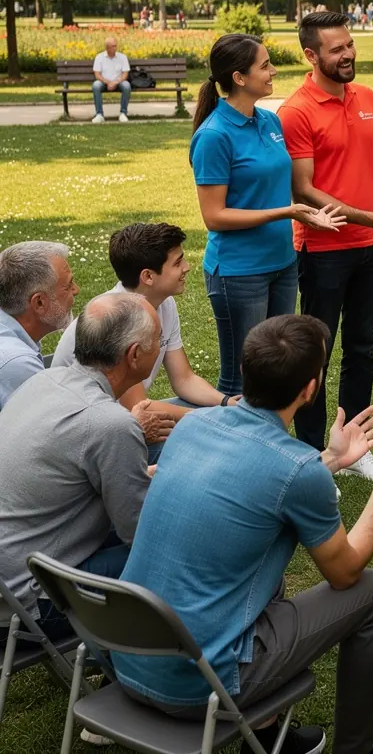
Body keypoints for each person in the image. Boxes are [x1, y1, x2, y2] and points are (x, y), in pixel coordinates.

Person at [111, 314, 373, 754]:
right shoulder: (298, 469)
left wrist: (332, 460)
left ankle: (265, 736)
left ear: (246, 373)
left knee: (258, 558)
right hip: (197, 687)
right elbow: (345, 572)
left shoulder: (192, 424)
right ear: (309, 390)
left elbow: (259, 485)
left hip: (128, 657)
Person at [279, 12, 373, 474]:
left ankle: (354, 448)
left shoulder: (366, 96)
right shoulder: (296, 110)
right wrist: (369, 218)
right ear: (311, 55)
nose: (348, 55)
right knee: (315, 353)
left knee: (362, 349)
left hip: (370, 248)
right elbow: (304, 188)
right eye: (336, 49)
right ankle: (315, 455)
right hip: (322, 251)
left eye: (350, 45)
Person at [190, 34, 345, 396]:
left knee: (280, 373)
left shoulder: (270, 122)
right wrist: (287, 212)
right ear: (239, 78)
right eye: (264, 65)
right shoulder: (214, 136)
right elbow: (214, 216)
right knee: (241, 380)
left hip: (282, 264)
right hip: (239, 273)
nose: (273, 70)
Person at [0, 293, 158, 643]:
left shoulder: (43, 380)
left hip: (8, 577)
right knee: (177, 560)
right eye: (157, 340)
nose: (160, 346)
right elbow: (143, 534)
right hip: (32, 602)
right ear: (133, 355)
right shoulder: (109, 423)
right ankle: (152, 674)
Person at [52, 223, 235, 454]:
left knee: (204, 414)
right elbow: (139, 409)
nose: (187, 267)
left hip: (122, 418)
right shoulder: (119, 320)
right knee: (205, 440)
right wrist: (216, 420)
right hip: (86, 439)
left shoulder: (164, 303)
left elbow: (184, 379)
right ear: (148, 276)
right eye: (178, 262)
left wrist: (226, 404)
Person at [0, 241, 79, 409]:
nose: (76, 290)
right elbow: (52, 429)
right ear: (39, 303)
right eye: (68, 286)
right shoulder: (18, 364)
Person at [92, 35, 132, 124]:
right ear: (107, 48)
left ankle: (123, 113)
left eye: (115, 46)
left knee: (127, 85)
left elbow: (125, 75)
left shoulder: (122, 57)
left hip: (119, 82)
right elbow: (97, 75)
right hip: (104, 83)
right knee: (96, 85)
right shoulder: (99, 57)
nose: (115, 48)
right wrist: (109, 82)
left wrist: (115, 82)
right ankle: (99, 115)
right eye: (112, 46)